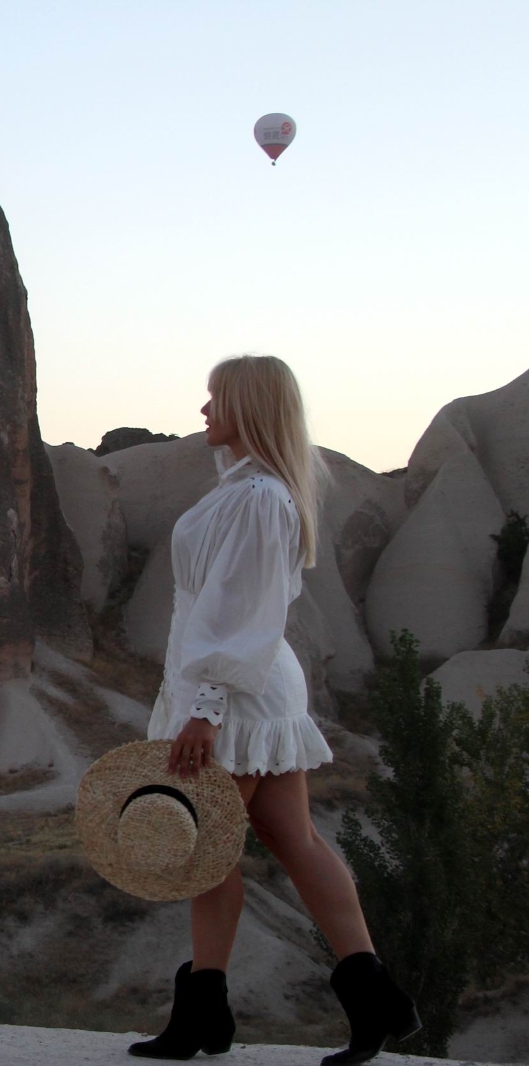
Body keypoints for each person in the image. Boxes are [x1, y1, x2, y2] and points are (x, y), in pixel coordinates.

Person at [130, 355, 420, 1064]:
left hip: (237, 693)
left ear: (249, 408)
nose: (203, 412)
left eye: (215, 400)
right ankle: (374, 1000)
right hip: (250, 687)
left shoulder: (258, 498)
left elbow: (236, 615)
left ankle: (203, 1015)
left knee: (208, 851)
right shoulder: (252, 491)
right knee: (295, 841)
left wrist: (203, 708)